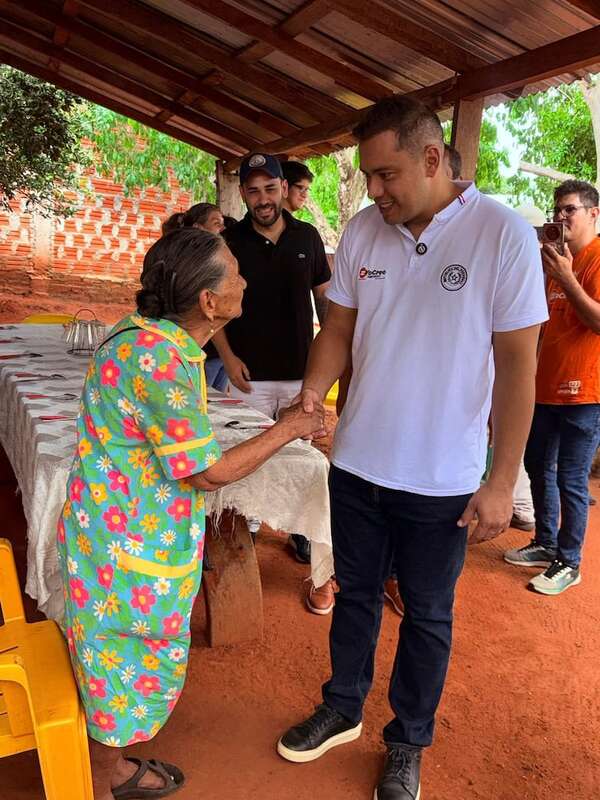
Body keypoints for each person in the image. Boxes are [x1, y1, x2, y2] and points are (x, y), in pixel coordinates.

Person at [276, 96, 547, 800]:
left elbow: (520, 366)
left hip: (443, 479)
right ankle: (342, 706)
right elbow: (336, 329)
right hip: (359, 463)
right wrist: (312, 393)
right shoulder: (366, 232)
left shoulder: (503, 235)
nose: (375, 191)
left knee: (427, 614)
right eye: (368, 176)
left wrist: (500, 481)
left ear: (432, 159)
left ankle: (407, 742)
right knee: (354, 594)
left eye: (386, 173)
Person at [57, 228, 323, 800]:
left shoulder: (148, 340)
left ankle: (112, 764)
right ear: (208, 301)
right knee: (121, 661)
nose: (245, 279)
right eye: (235, 271)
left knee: (116, 658)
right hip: (125, 549)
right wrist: (290, 429)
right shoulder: (159, 358)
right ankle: (103, 780)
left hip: (117, 535)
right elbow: (206, 472)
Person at [212, 152, 334, 613]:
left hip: (303, 376)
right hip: (248, 378)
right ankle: (242, 538)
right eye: (252, 190)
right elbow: (214, 305)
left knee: (304, 462)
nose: (262, 199)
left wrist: (328, 365)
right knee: (242, 457)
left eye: (269, 188)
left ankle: (306, 538)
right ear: (243, 194)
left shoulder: (308, 236)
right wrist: (226, 355)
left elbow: (325, 302)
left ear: (283, 189)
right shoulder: (230, 241)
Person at [504, 180, 600, 594]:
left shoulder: (595, 258)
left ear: (594, 213)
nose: (561, 218)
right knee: (537, 467)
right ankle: (545, 542)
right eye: (557, 210)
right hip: (544, 387)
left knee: (571, 479)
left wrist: (567, 275)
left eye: (570, 210)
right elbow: (539, 324)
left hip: (584, 392)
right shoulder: (555, 262)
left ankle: (569, 561)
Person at [161, 203, 228, 391]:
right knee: (195, 398)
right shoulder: (194, 266)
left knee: (215, 401)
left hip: (220, 350)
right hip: (201, 348)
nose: (222, 228)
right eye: (216, 223)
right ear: (198, 228)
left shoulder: (219, 259)